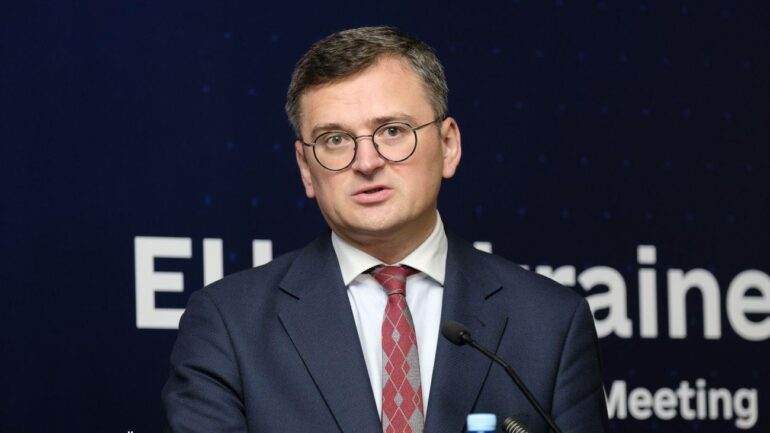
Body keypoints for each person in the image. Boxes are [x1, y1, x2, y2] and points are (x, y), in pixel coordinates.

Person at [162, 26, 609, 433]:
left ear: (448, 145)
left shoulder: (549, 323)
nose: (367, 161)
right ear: (306, 168)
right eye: (335, 140)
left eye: (392, 131)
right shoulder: (229, 325)